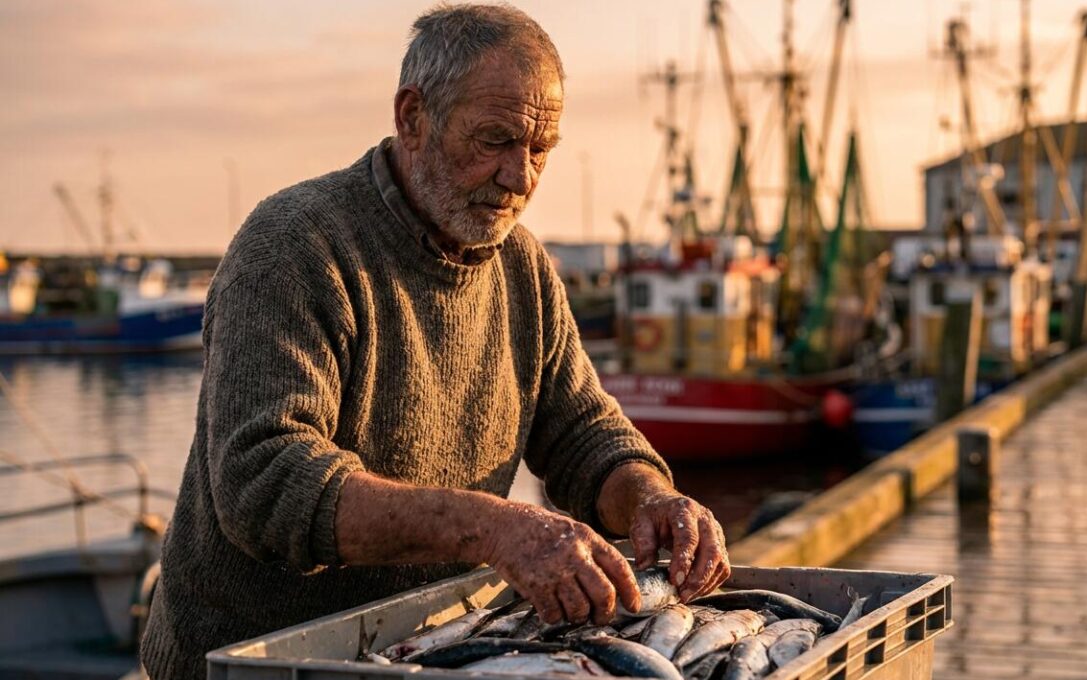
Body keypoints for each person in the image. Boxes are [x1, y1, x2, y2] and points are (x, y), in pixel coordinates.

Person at [140, 5, 730, 677]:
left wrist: (650, 496)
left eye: (540, 150)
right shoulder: (292, 246)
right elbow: (265, 484)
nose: (521, 178)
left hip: (426, 654)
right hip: (254, 662)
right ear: (412, 117)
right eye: (495, 141)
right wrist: (494, 528)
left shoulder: (523, 267)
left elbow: (581, 433)